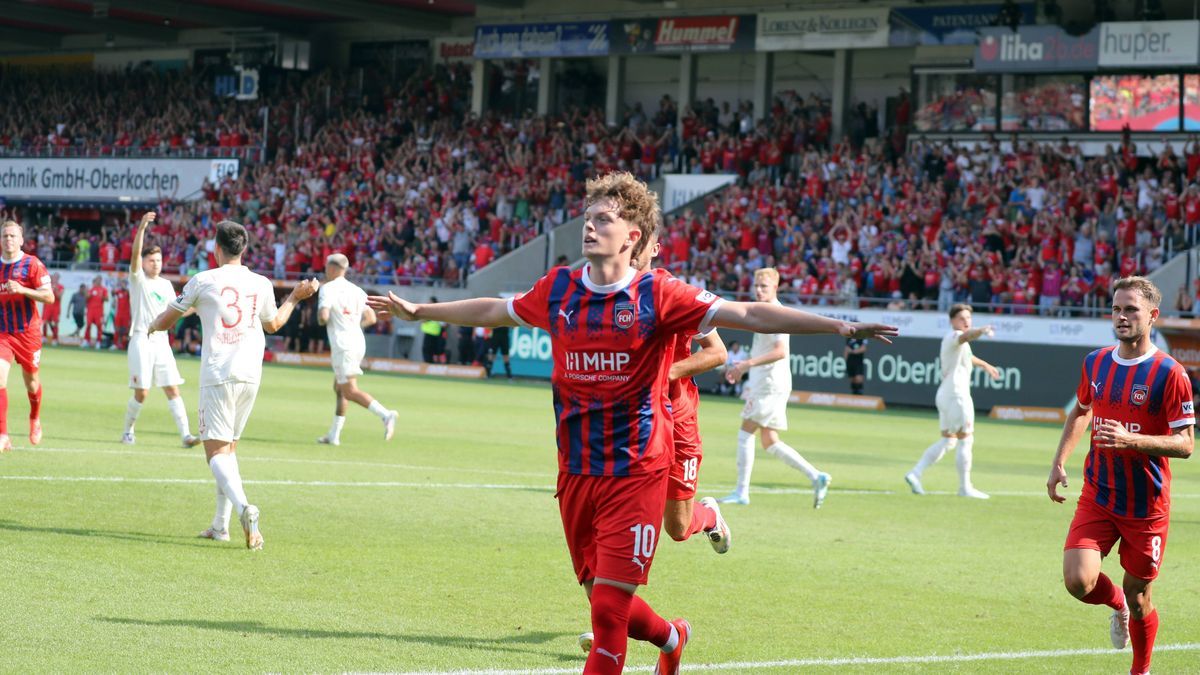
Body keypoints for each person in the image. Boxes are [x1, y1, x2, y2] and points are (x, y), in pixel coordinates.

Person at [367, 172, 896, 674]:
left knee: (606, 618)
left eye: (603, 219)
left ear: (632, 236)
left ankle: (665, 621)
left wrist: (838, 324)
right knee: (603, 599)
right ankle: (671, 637)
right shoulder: (559, 288)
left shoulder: (660, 294)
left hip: (637, 470)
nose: (589, 226)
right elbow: (495, 310)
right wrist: (422, 311)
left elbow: (749, 315)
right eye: (588, 217)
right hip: (575, 472)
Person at [1047, 276, 1193, 675]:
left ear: (1152, 316)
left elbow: (1185, 444)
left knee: (1140, 594)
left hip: (1146, 505)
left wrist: (1133, 439)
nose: (1122, 316)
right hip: (1099, 492)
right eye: (1116, 309)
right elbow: (1080, 410)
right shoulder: (1095, 362)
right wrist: (1059, 461)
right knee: (1078, 581)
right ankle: (1116, 607)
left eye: (1131, 309)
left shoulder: (1170, 373)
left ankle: (1140, 670)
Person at [150, 220, 318, 550]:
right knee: (229, 451)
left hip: (218, 374)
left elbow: (168, 319)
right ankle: (220, 525)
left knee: (215, 453)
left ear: (216, 248)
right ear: (244, 249)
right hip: (250, 375)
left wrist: (152, 327)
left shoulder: (204, 280)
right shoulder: (261, 282)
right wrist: (295, 297)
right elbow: (274, 324)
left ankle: (245, 509)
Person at [717, 268, 833, 509]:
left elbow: (780, 351)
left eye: (764, 287)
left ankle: (741, 492)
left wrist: (747, 364)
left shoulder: (776, 314)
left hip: (769, 383)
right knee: (770, 441)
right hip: (770, 382)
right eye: (757, 286)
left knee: (745, 433)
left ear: (775, 288)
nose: (759, 290)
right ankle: (816, 476)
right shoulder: (765, 311)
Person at [904, 303, 1001, 499]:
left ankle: (915, 473)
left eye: (968, 318)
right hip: (957, 395)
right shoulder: (954, 336)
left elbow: (969, 355)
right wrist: (981, 330)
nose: (966, 321)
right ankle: (965, 487)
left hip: (946, 394)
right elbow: (966, 336)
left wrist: (986, 365)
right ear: (952, 321)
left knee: (948, 440)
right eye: (961, 318)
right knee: (966, 439)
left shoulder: (957, 342)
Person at [121, 211, 200, 448]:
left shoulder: (166, 285)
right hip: (141, 339)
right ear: (144, 262)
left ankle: (186, 435)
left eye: (158, 260)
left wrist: (196, 309)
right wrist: (143, 227)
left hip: (161, 342)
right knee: (142, 392)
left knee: (172, 388)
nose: (156, 264)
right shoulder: (138, 280)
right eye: (151, 260)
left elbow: (173, 311)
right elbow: (135, 254)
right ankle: (127, 431)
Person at [315, 253, 399, 446]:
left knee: (349, 390)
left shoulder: (327, 289)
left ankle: (386, 415)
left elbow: (324, 317)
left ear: (333, 268)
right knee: (339, 388)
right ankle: (334, 435)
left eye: (327, 266)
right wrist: (352, 325)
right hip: (356, 341)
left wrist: (322, 318)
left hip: (343, 345)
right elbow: (371, 318)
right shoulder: (357, 291)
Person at [0, 220, 52, 450]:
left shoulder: (32, 264)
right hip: (3, 333)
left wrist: (22, 290)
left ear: (21, 240)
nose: (8, 239)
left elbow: (49, 296)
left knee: (31, 383)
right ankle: (3, 434)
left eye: (13, 236)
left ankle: (34, 417)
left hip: (28, 334)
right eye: (5, 236)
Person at [84, 275, 108, 349]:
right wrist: (87, 293)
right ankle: (86, 341)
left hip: (99, 311)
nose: (98, 281)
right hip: (90, 310)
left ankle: (98, 342)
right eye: (97, 280)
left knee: (99, 326)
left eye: (100, 280)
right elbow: (86, 298)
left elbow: (107, 299)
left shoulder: (104, 289)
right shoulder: (91, 289)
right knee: (88, 325)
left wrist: (102, 297)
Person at [42, 273, 63, 345]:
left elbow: (59, 297)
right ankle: (44, 337)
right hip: (47, 306)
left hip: (56, 307)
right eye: (54, 277)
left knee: (55, 324)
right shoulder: (48, 286)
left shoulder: (61, 287)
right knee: (44, 322)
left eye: (56, 278)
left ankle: (55, 339)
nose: (55, 279)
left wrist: (56, 289)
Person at [111, 279, 131, 350]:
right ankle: (115, 344)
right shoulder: (118, 292)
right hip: (119, 314)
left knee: (125, 330)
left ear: (126, 284)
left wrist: (125, 288)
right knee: (117, 329)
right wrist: (115, 285)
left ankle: (123, 345)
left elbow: (130, 294)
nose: (122, 285)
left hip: (126, 315)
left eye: (123, 284)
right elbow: (112, 293)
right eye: (121, 284)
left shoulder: (128, 292)